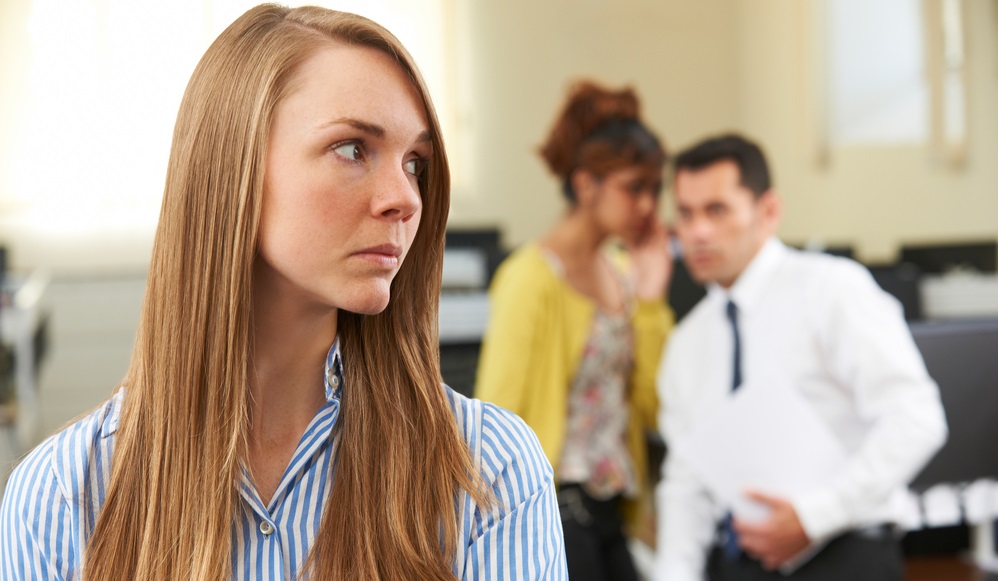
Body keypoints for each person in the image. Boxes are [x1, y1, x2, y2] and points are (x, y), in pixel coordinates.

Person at [0, 5, 567, 580]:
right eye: (352, 148)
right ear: (232, 167)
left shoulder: (487, 473)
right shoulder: (62, 499)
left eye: (414, 163)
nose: (406, 198)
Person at [654, 133, 948, 581]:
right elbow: (686, 483)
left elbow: (916, 419)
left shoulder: (832, 290)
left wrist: (814, 517)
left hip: (845, 554)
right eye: (686, 213)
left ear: (768, 211)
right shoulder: (687, 342)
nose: (697, 232)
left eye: (717, 210)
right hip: (738, 563)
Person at [474, 80, 674, 581]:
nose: (649, 205)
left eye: (655, 189)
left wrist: (650, 304)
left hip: (613, 508)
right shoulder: (530, 278)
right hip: (551, 508)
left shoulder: (626, 275)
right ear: (587, 185)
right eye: (635, 188)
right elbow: (495, 415)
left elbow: (657, 405)